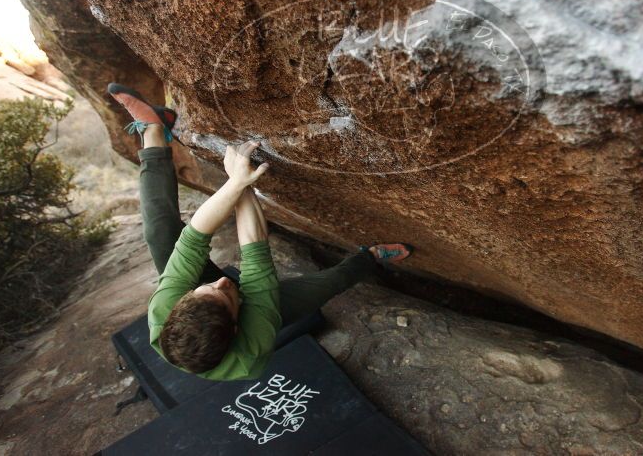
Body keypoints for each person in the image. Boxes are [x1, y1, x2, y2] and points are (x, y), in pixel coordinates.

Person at [107, 83, 413, 381]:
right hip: (257, 310)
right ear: (237, 326)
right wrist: (242, 181)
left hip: (209, 304)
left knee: (160, 234)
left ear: (182, 300)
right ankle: (370, 258)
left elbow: (193, 238)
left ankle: (154, 129)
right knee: (329, 283)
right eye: (226, 294)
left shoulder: (164, 310)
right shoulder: (252, 344)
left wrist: (236, 182)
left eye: (209, 288)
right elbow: (254, 250)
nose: (225, 280)